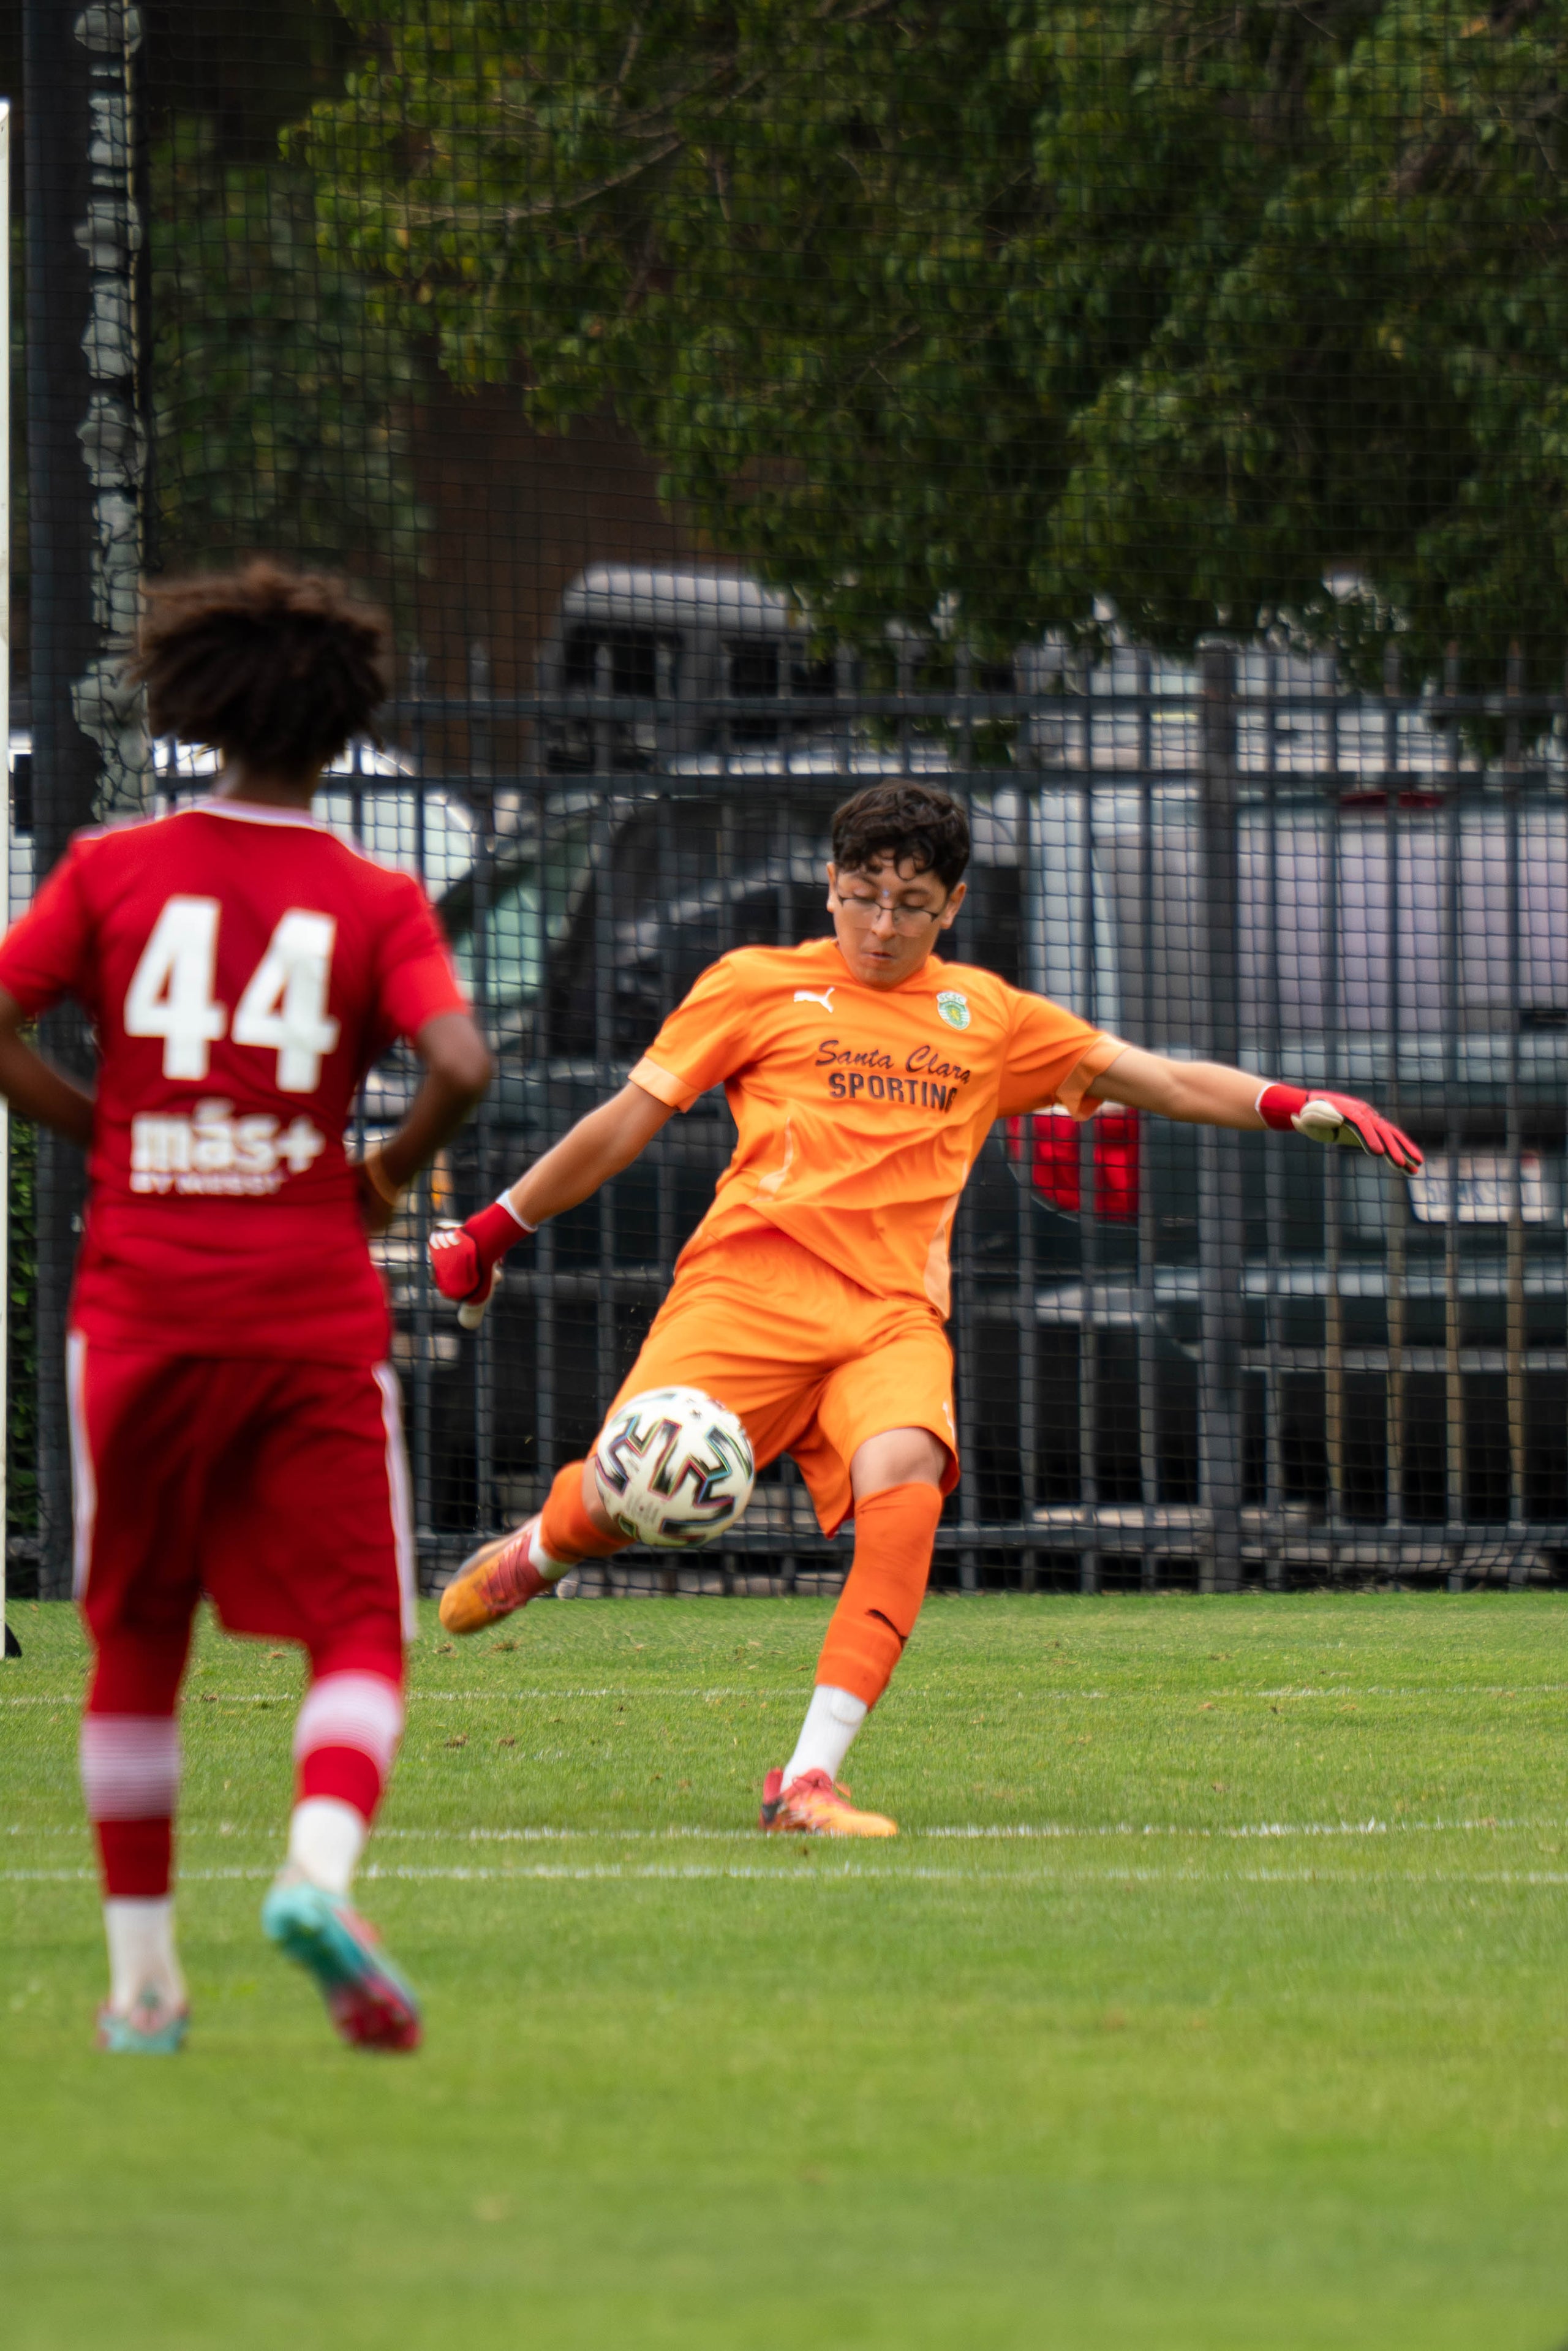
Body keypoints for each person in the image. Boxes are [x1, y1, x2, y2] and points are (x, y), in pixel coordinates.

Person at [429, 780, 1418, 1836]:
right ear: (830, 887)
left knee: (906, 1482)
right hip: (746, 1291)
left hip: (891, 1318)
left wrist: (1293, 1103)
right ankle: (545, 1548)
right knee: (628, 1497)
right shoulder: (754, 983)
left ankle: (807, 1780)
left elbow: (1160, 1081)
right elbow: (624, 1123)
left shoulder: (989, 1016)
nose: (882, 925)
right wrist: (489, 1232)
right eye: (863, 896)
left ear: (952, 906)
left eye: (911, 903)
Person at [0, 564, 491, 2050]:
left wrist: (108, 1130)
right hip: (303, 1308)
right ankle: (314, 1875)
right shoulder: (369, 895)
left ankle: (145, 1986)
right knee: (360, 1628)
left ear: (197, 708)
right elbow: (460, 1062)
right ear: (343, 729)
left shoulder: (111, 870)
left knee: (138, 1636)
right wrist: (383, 1172)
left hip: (138, 1306)